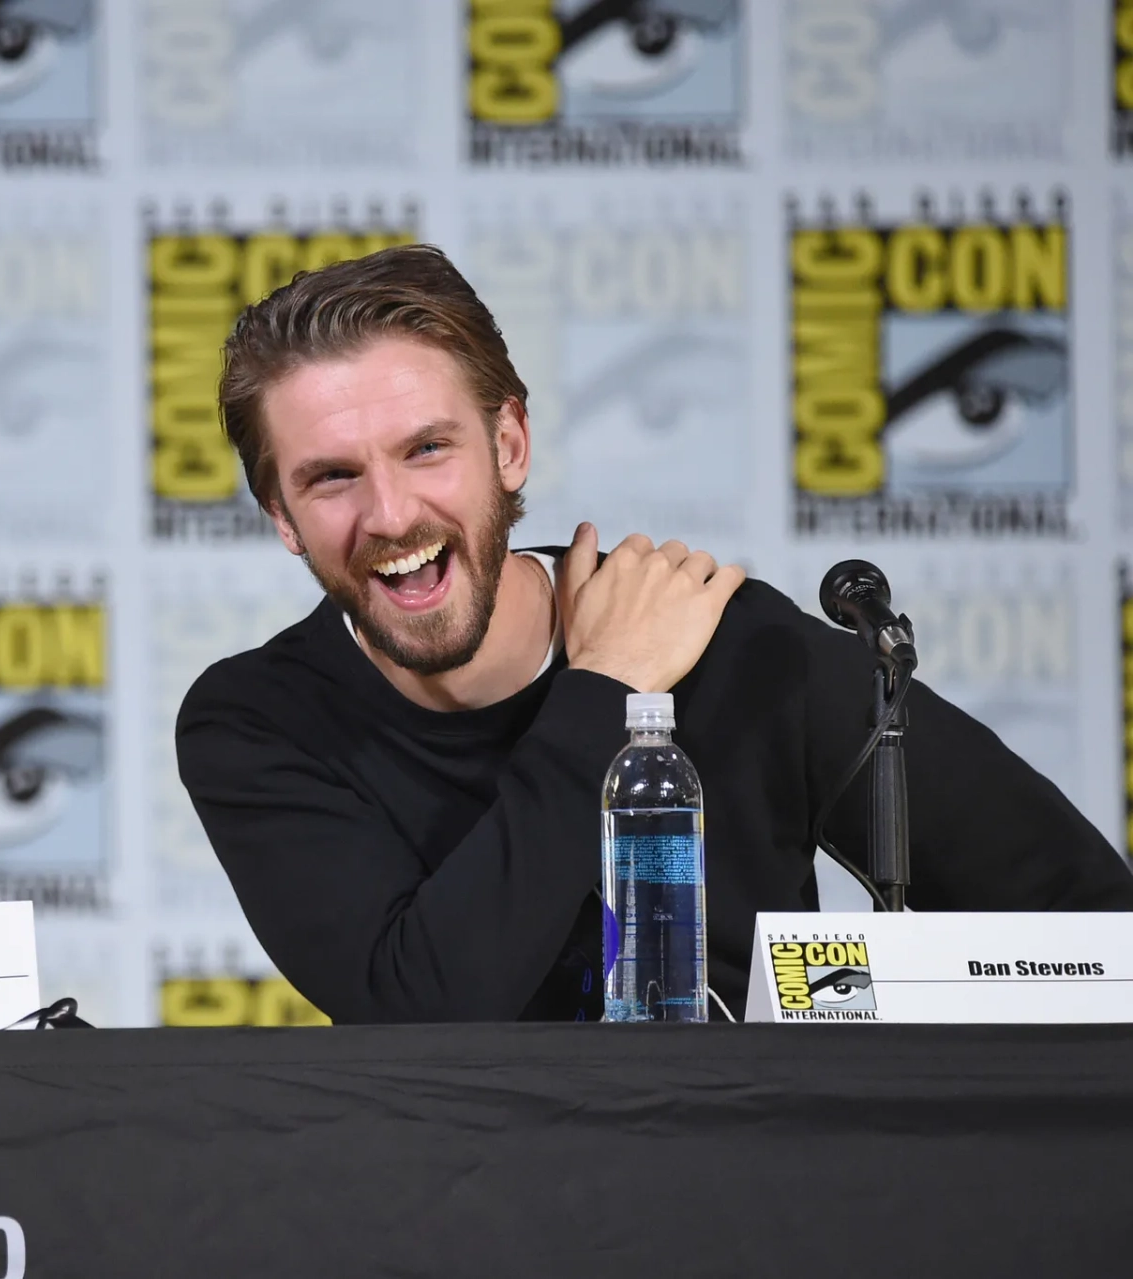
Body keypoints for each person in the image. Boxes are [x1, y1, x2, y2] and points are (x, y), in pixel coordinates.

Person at [175, 244, 1133, 1024]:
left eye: (428, 449)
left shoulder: (728, 643)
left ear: (509, 445)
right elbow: (420, 1007)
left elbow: (1087, 920)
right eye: (331, 477)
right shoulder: (258, 722)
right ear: (282, 518)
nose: (390, 514)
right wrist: (609, 684)